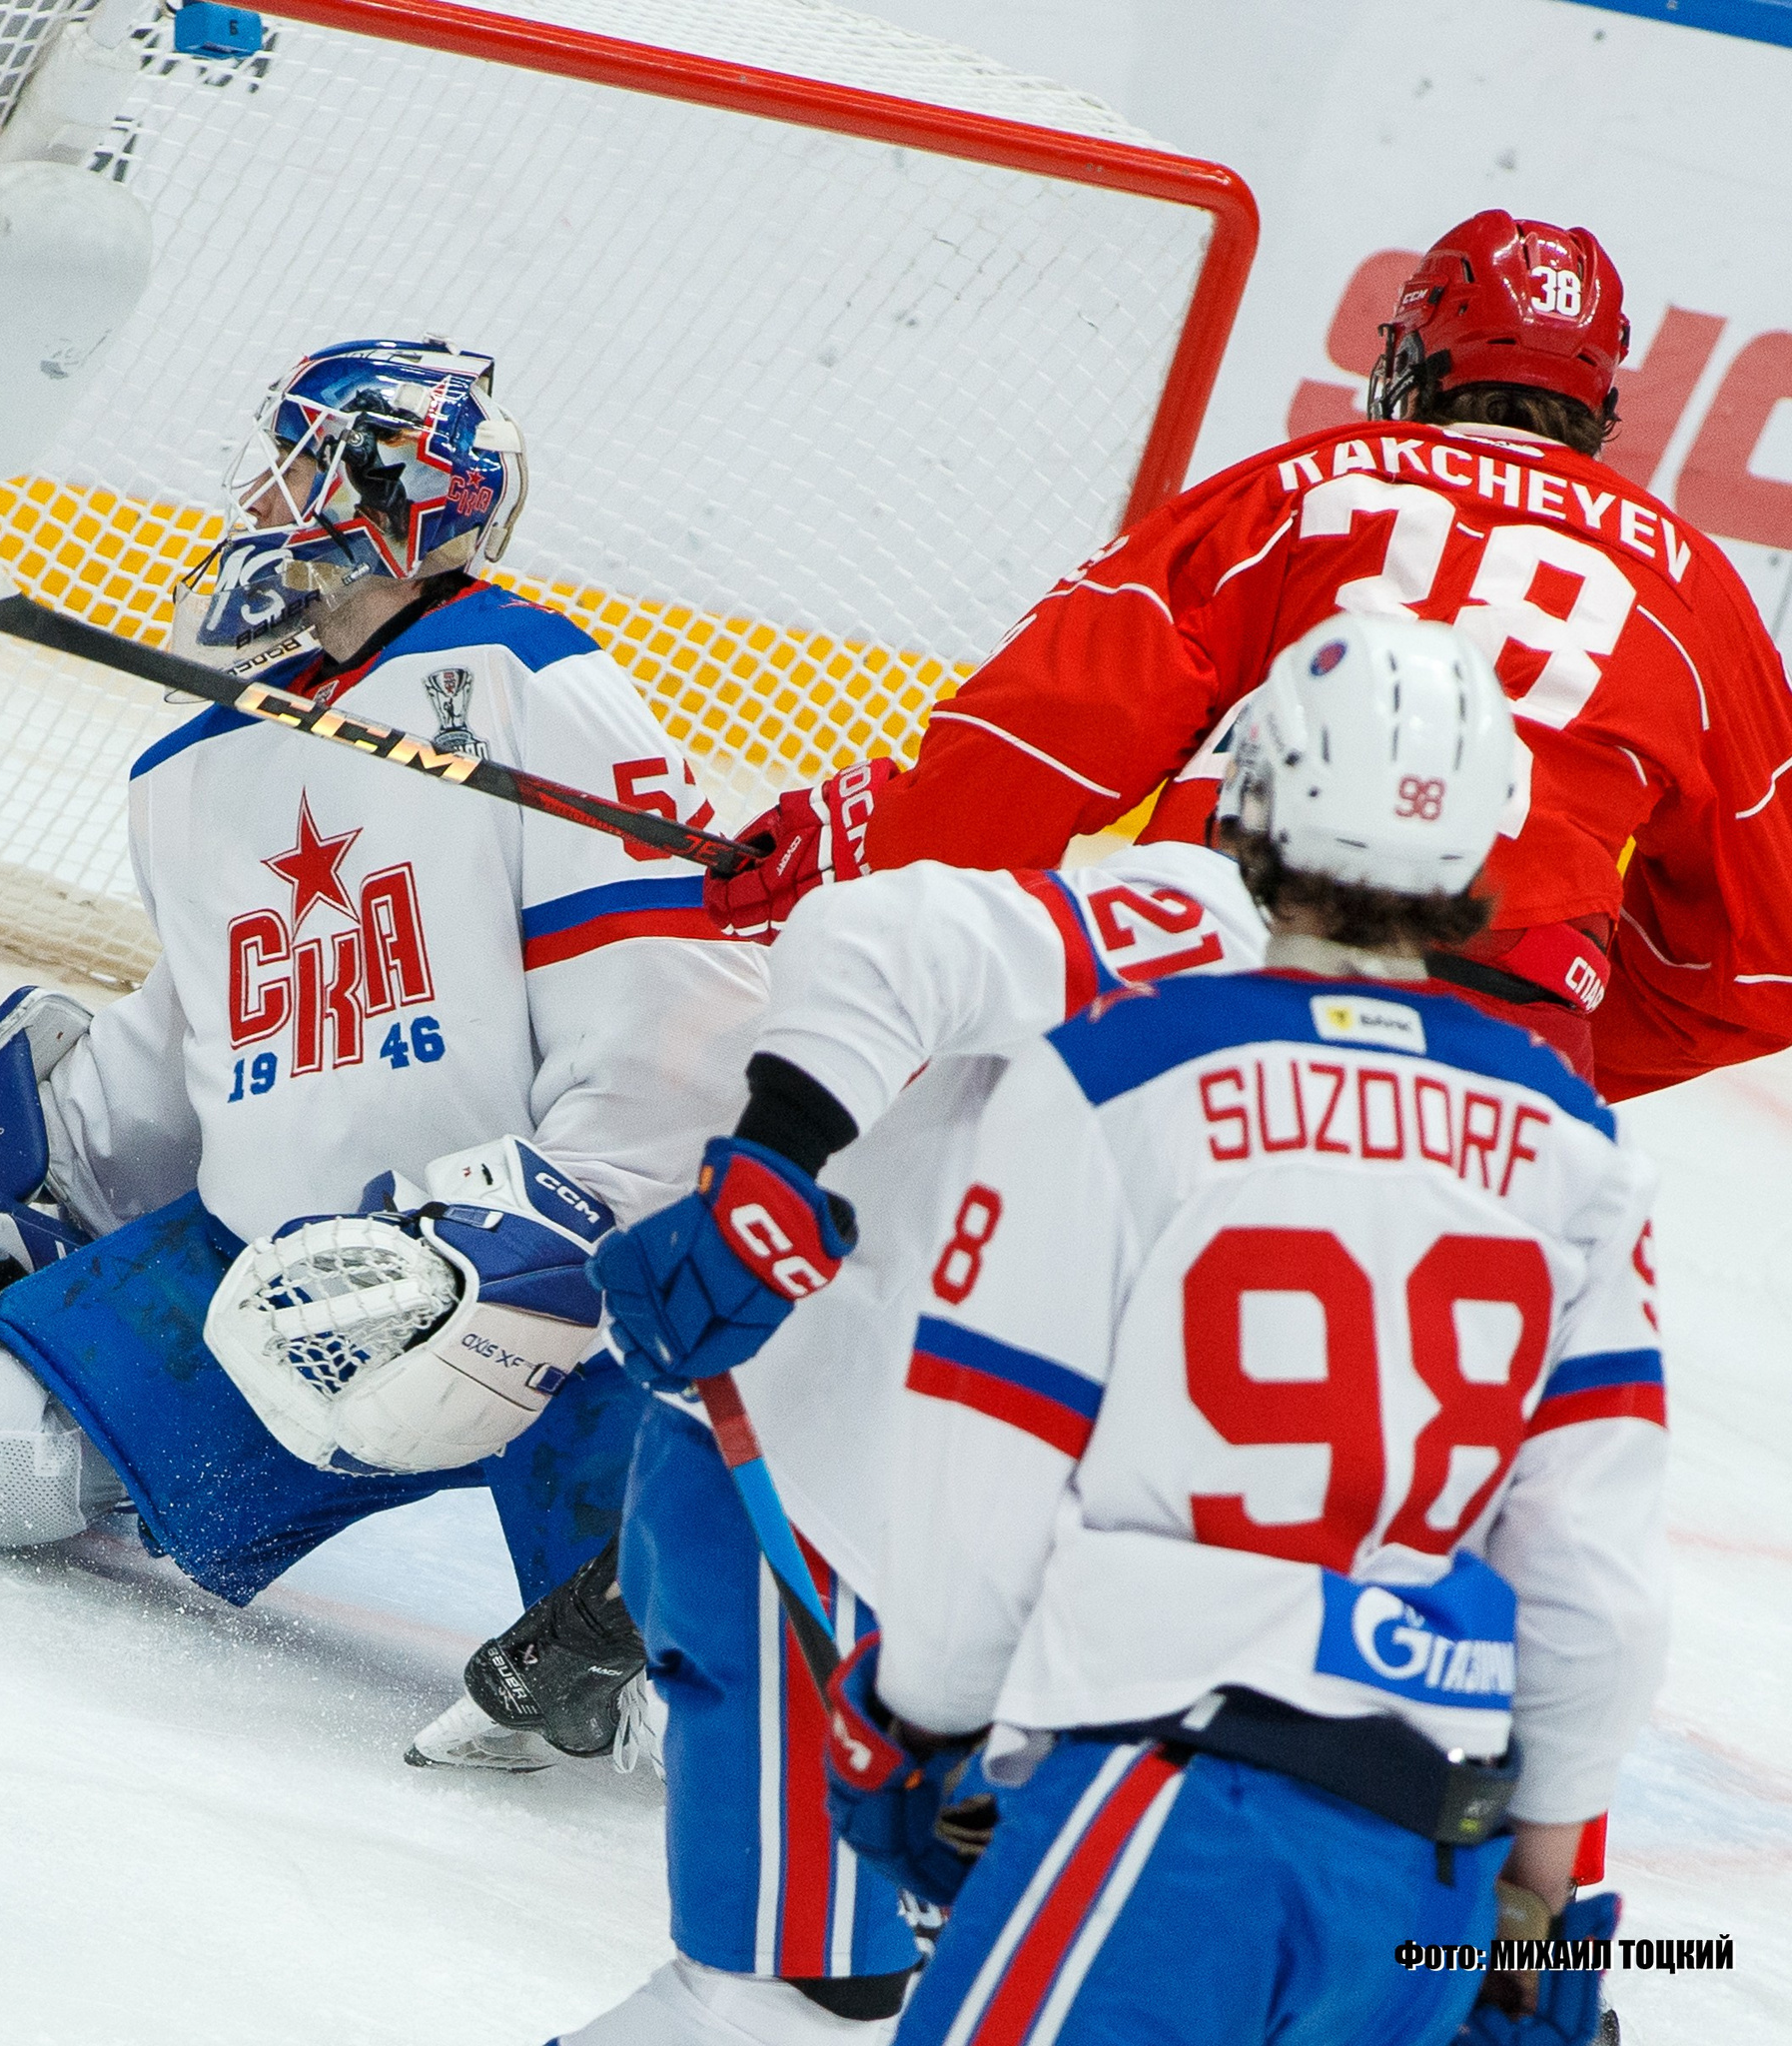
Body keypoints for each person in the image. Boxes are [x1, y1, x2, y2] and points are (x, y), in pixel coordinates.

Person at [606, 615, 1666, 2045]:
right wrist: (1554, 1912)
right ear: (1492, 858)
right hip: (1429, 1843)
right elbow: (1595, 1589)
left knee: (794, 1990)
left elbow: (995, 1476)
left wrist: (921, 1731)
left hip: (1162, 1785)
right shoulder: (1576, 1145)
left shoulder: (1126, 1071)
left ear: (1245, 796)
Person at [0, 338, 764, 1622]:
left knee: (679, 1663)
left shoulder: (527, 685)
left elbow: (678, 990)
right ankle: (125, 1416)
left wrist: (579, 1226)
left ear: (387, 491)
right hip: (287, 1284)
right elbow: (218, 1038)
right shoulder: (195, 759)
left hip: (563, 1287)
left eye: (291, 469)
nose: (253, 506)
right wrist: (32, 1170)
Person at [708, 210, 1792, 1100]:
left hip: (1215, 963)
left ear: (1413, 359)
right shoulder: (1695, 593)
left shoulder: (1303, 486)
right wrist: (1552, 1038)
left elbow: (1047, 733)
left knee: (939, 1242)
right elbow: (1760, 966)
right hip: (1508, 1061)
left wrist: (886, 838)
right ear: (1599, 404)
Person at [515, 794, 1268, 2038]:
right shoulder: (1207, 920)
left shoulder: (1405, 1063)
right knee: (799, 1984)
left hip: (989, 1579)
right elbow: (889, 934)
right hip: (816, 1500)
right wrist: (769, 1169)